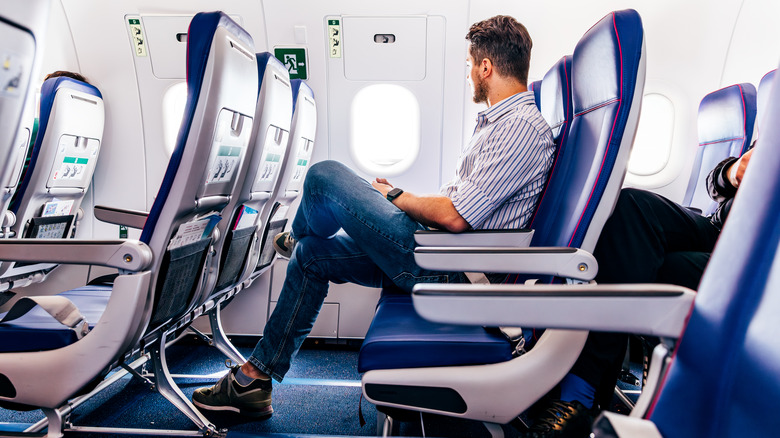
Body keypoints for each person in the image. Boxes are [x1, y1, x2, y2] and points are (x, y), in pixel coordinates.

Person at [192, 15, 555, 418]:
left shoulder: (520, 127)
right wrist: (393, 199)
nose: (470, 75)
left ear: (486, 66)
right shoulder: (498, 124)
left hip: (449, 266)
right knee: (312, 256)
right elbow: (462, 206)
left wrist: (396, 196)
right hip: (437, 250)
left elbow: (455, 216)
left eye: (471, 66)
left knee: (324, 176)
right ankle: (253, 380)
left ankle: (295, 233)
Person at [521, 148, 753, 438]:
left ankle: (576, 395)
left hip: (759, 253)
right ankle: (579, 392)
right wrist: (732, 172)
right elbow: (715, 185)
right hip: (719, 227)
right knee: (632, 205)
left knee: (647, 266)